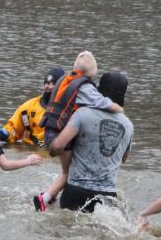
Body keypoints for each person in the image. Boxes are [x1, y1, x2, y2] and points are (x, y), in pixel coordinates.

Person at [33, 52, 124, 211]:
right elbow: (101, 102)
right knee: (69, 174)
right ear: (92, 73)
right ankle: (44, 198)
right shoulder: (85, 87)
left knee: (66, 171)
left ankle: (51, 195)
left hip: (50, 130)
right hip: (59, 136)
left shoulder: (65, 80)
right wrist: (118, 109)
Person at [47, 70, 134, 213]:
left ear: (99, 91)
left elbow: (56, 147)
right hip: (107, 196)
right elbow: (123, 158)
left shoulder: (82, 114)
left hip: (75, 192)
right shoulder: (128, 125)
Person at [0, 68, 67, 146]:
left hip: (54, 151)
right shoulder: (29, 107)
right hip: (31, 151)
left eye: (54, 84)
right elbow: (14, 128)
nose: (49, 87)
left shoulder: (69, 108)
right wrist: (7, 133)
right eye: (47, 83)